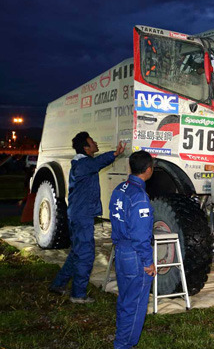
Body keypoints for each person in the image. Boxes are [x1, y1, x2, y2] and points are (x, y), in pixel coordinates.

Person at [49, 132, 126, 303]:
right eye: (92, 142)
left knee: (77, 252)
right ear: (86, 148)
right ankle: (78, 294)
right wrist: (115, 153)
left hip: (79, 214)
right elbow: (98, 163)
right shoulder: (83, 164)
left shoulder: (82, 164)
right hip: (81, 216)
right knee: (85, 254)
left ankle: (59, 284)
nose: (95, 143)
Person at [110, 151, 156, 349]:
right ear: (148, 170)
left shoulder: (120, 189)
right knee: (135, 304)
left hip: (121, 251)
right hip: (135, 255)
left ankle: (121, 338)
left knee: (125, 300)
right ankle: (124, 344)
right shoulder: (140, 197)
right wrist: (148, 262)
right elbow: (140, 235)